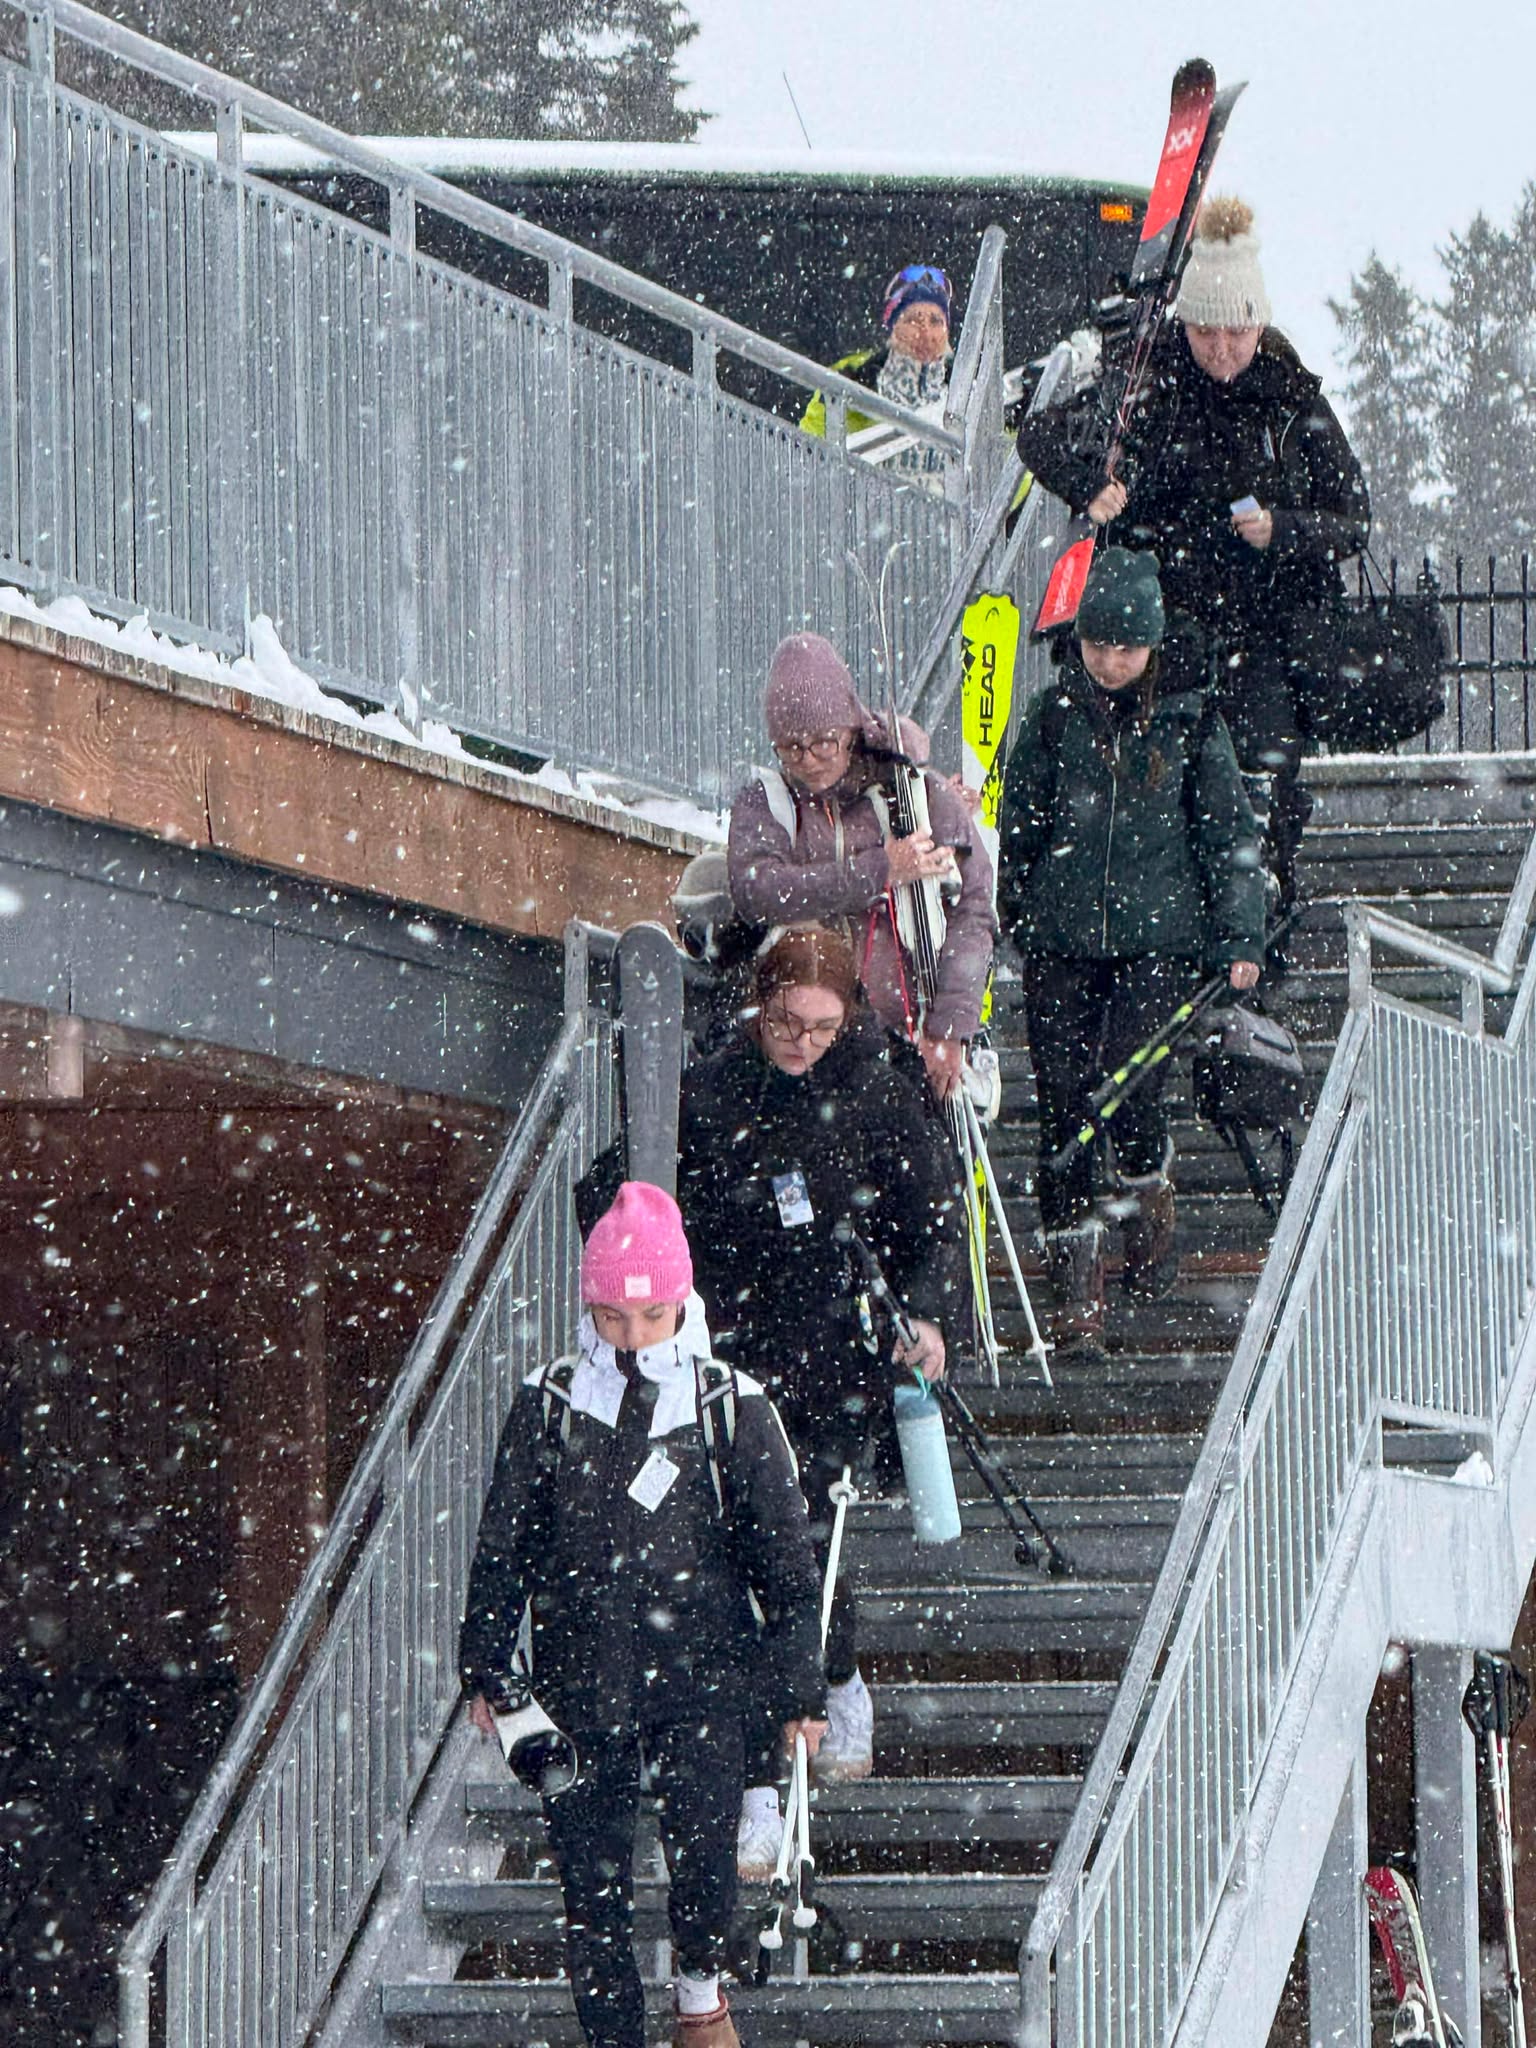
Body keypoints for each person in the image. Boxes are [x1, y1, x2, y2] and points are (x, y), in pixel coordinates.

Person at [576, 926, 966, 1872]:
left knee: (806, 1547)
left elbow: (935, 1218)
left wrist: (927, 1315)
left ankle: (835, 1669)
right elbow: (612, 1194)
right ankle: (756, 1772)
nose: (802, 1044)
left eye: (822, 1028)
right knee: (743, 1569)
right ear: (760, 1008)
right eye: (787, 1023)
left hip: (837, 1361)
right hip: (731, 1361)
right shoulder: (709, 1092)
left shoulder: (874, 1088)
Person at [459, 1182, 827, 2048]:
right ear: (588, 1307)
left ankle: (701, 1989)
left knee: (707, 1863)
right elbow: (503, 1544)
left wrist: (799, 1690)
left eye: (652, 1316)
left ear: (682, 1303)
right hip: (579, 1678)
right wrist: (488, 1667)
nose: (632, 1336)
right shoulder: (547, 1405)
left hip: (705, 1676)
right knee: (591, 1891)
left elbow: (787, 1568)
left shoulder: (731, 1406)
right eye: (614, 1318)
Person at [1017, 197, 1370, 934]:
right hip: (1161, 630)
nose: (1222, 349)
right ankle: (1181, 943)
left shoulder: (1289, 396)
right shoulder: (1143, 375)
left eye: (1238, 331)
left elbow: (1354, 519)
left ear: (1260, 323)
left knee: (1261, 792)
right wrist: (1090, 487)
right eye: (1206, 330)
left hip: (1266, 634)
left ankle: (1260, 938)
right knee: (1166, 796)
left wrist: (1284, 530)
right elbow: (1039, 434)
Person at [996, 548, 1266, 1351]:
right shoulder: (1050, 720)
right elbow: (1021, 827)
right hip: (1062, 944)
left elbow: (1229, 835)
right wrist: (1020, 908)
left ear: (1152, 645)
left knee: (1132, 1087)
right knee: (1065, 1110)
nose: (1110, 663)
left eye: (1126, 648)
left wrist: (1239, 934)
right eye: (1096, 646)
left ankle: (1150, 1199)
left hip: (1160, 942)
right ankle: (1076, 1291)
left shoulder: (1192, 722)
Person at [726, 631, 996, 1101]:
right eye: (791, 748)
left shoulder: (919, 794)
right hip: (804, 1044)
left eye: (824, 743)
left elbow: (972, 908)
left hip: (910, 1043)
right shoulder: (766, 802)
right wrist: (878, 871)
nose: (808, 760)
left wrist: (951, 1028)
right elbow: (759, 892)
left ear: (851, 730)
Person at [800, 262, 953, 490]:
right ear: (893, 325)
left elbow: (1004, 476)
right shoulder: (856, 372)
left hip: (947, 522)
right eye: (913, 320)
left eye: (935, 321)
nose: (925, 332)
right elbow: (810, 448)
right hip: (869, 517)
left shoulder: (968, 385)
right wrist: (848, 398)